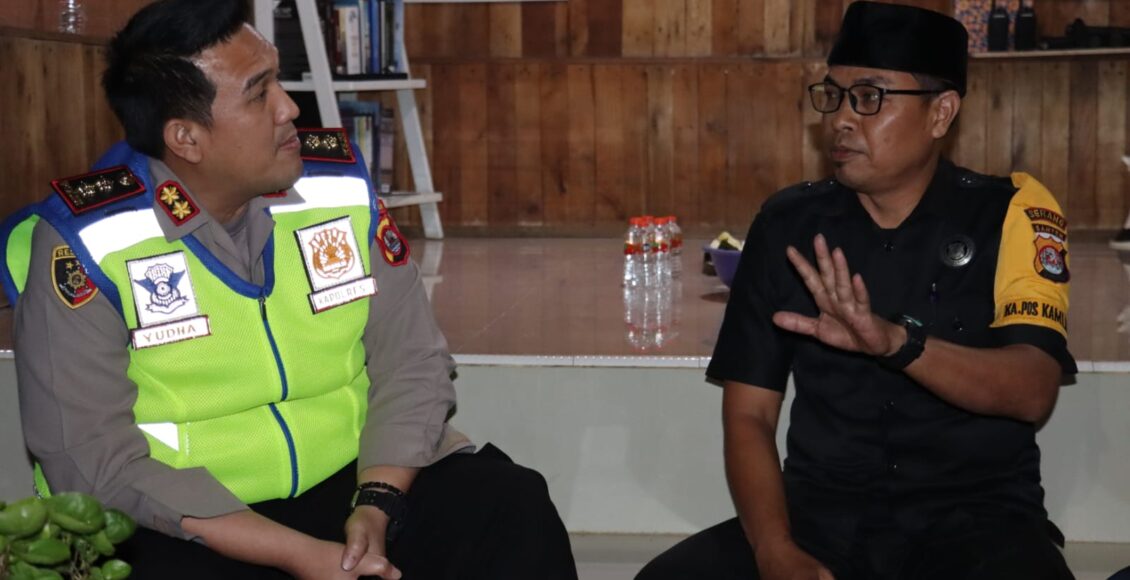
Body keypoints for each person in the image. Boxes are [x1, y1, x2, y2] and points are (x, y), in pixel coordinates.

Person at [0, 1, 577, 578]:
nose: (289, 107)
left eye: (279, 80)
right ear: (186, 138)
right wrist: (298, 554)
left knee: (511, 505)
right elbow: (91, 459)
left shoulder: (337, 190)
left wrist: (379, 501)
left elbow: (413, 362)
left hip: (357, 483)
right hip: (191, 518)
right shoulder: (87, 244)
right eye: (260, 93)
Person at [636, 3, 1076, 580]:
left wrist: (899, 344)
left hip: (976, 521)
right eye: (834, 95)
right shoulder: (789, 223)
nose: (842, 119)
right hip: (821, 515)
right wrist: (773, 549)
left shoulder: (1010, 212)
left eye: (869, 97)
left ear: (941, 113)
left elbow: (1033, 390)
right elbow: (749, 415)